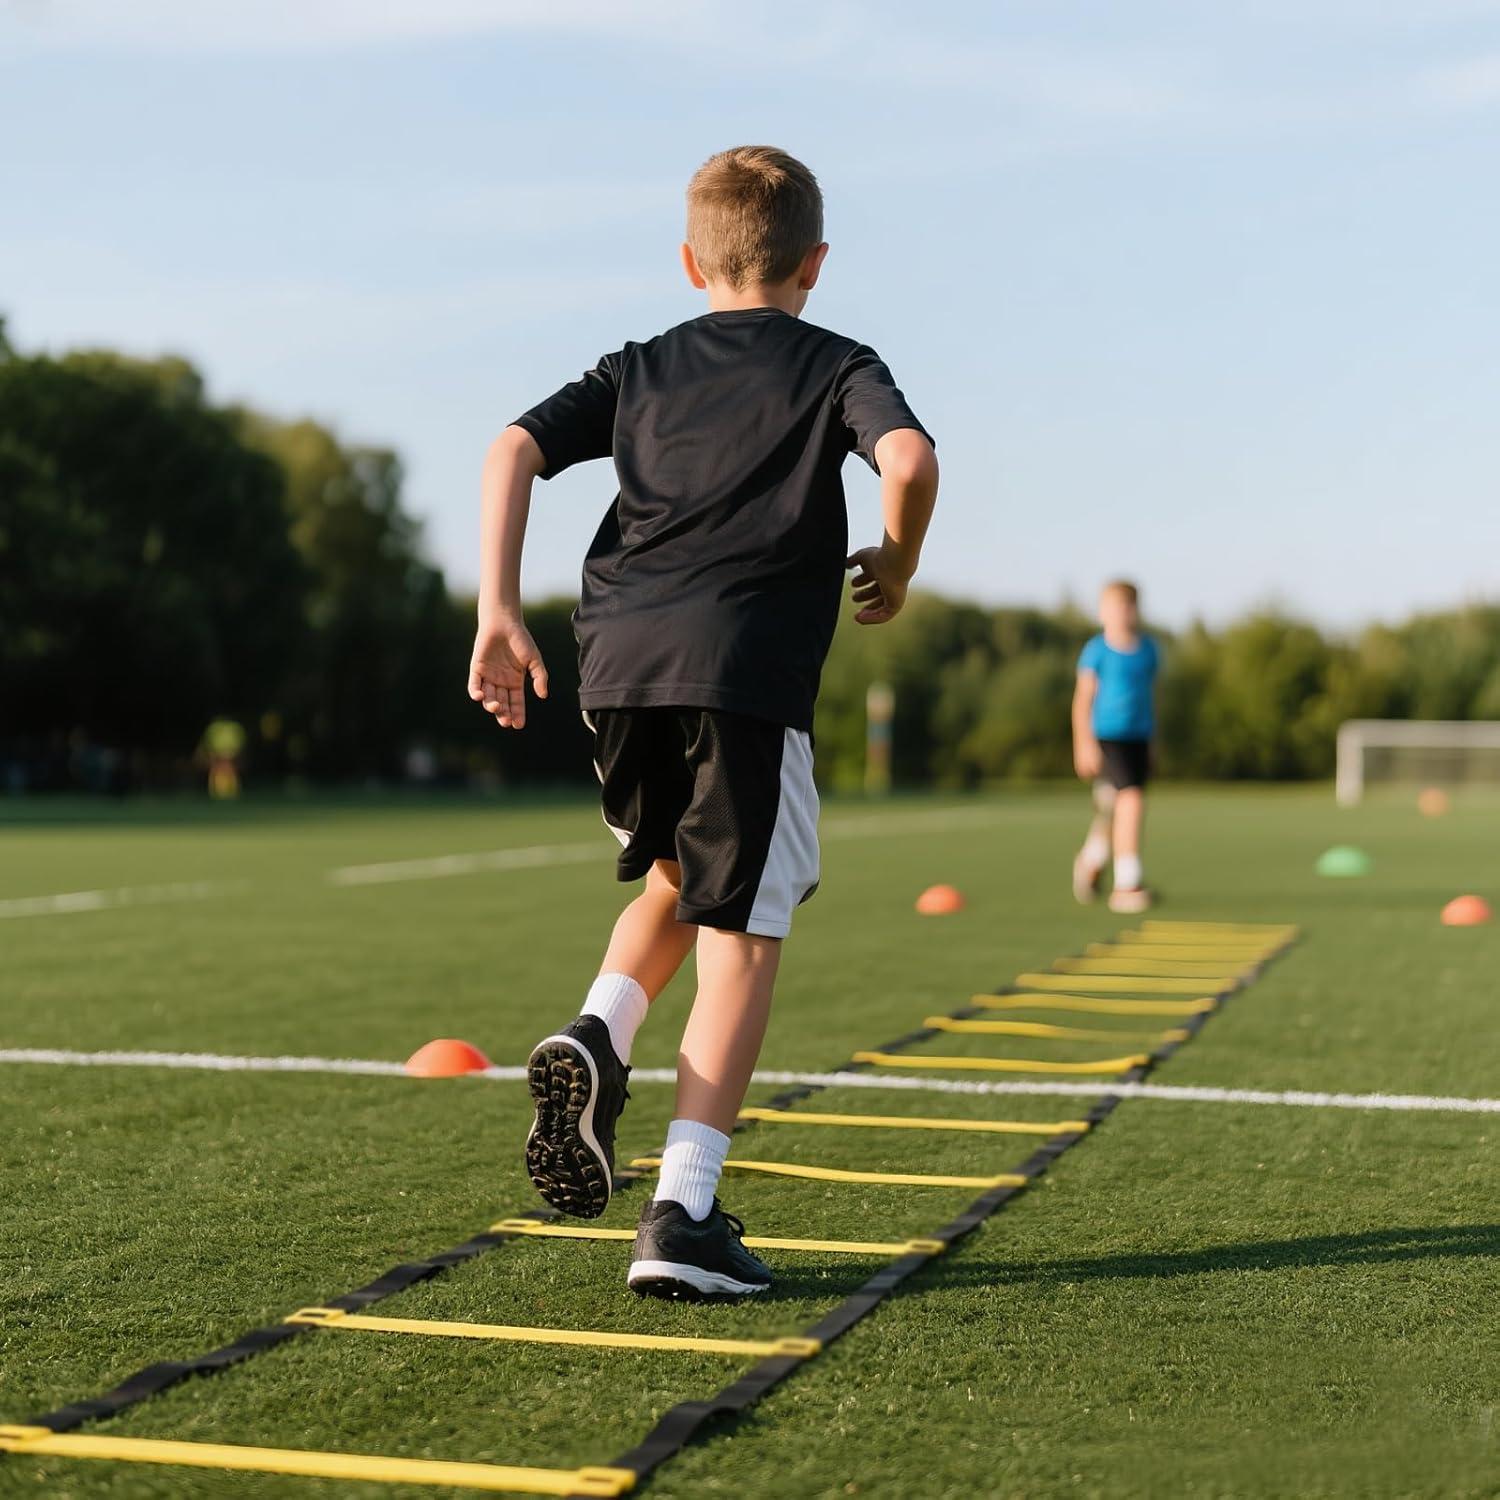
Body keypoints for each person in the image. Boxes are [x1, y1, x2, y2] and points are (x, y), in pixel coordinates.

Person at [467, 146, 938, 1300]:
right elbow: (912, 460)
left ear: (691, 261)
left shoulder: (641, 364)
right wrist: (899, 558)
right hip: (741, 672)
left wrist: (495, 607)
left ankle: (597, 1034)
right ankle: (683, 1209)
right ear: (815, 264)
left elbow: (512, 446)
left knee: (681, 874)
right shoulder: (838, 362)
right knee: (747, 935)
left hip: (616, 656)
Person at [1071, 580, 1160, 913]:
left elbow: (1153, 698)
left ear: (1135, 610)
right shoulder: (1096, 650)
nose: (1121, 613)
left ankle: (1091, 860)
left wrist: (1154, 740)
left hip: (1138, 737)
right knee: (1131, 801)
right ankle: (1127, 883)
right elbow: (1082, 701)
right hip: (1106, 737)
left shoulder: (1149, 650)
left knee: (1115, 809)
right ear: (1102, 612)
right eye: (1113, 607)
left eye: (1127, 606)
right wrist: (1084, 743)